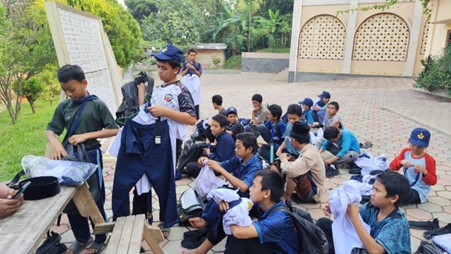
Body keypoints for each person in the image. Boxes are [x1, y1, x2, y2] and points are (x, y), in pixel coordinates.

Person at [112, 44, 196, 238]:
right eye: (158, 67)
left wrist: (165, 112)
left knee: (163, 180)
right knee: (142, 181)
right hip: (149, 139)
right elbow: (146, 110)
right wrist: (141, 89)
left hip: (168, 143)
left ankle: (167, 221)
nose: (160, 71)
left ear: (176, 69)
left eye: (164, 68)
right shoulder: (158, 88)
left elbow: (191, 118)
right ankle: (142, 218)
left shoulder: (180, 90)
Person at [45, 64, 119, 254]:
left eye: (72, 89)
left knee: (95, 198)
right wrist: (56, 144)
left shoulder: (97, 105)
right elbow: (51, 130)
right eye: (65, 90)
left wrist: (86, 136)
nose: (69, 94)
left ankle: (100, 237)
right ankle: (82, 238)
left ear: (84, 83)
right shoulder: (64, 107)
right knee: (72, 200)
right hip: (70, 160)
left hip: (91, 157)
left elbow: (113, 129)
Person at [184, 133, 262, 254]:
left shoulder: (256, 165)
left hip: (251, 200)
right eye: (235, 147)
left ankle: (206, 225)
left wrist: (222, 171)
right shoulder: (240, 158)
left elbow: (243, 187)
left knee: (224, 207)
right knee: (218, 197)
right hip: (241, 195)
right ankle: (206, 221)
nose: (235, 150)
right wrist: (207, 162)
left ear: (250, 149)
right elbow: (222, 165)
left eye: (238, 147)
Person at [316, 170, 412, 253]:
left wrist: (354, 217)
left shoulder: (398, 223)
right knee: (323, 224)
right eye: (373, 188)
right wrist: (337, 207)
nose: (372, 193)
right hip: (365, 246)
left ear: (394, 198)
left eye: (377, 190)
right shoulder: (371, 207)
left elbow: (376, 251)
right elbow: (352, 225)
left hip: (371, 249)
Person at [224, 170, 300, 254]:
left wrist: (229, 213)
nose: (250, 189)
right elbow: (239, 205)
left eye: (254, 186)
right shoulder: (263, 204)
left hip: (278, 251)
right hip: (270, 247)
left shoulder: (279, 219)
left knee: (240, 238)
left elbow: (238, 232)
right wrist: (225, 203)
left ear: (266, 193)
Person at [279, 122, 325, 204]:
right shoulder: (310, 148)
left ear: (293, 140)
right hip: (312, 185)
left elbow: (292, 170)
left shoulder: (309, 154)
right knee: (288, 162)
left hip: (314, 194)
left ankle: (286, 197)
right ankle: (279, 190)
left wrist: (283, 160)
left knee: (293, 171)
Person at [389, 128, 437, 205]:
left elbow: (433, 181)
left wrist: (425, 172)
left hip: (419, 190)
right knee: (386, 185)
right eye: (413, 145)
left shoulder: (429, 160)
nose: (415, 148)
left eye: (419, 147)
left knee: (398, 197)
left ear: (425, 146)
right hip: (405, 185)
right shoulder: (406, 152)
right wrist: (400, 162)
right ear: (408, 141)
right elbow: (392, 167)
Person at [181, 48, 203, 119]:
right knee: (186, 97)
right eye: (191, 55)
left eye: (194, 55)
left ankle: (196, 116)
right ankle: (187, 114)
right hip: (187, 82)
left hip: (195, 82)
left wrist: (194, 69)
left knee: (195, 98)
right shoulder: (185, 64)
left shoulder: (198, 64)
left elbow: (199, 75)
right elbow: (182, 74)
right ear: (188, 56)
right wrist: (187, 69)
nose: (193, 57)